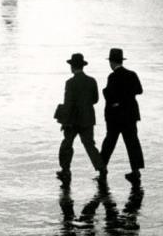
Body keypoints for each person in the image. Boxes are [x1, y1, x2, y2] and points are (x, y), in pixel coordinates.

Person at [56, 52, 107, 187]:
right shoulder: (92, 81)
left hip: (72, 120)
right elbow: (95, 99)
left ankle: (65, 170)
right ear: (83, 66)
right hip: (88, 118)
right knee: (90, 145)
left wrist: (64, 121)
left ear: (72, 67)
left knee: (67, 145)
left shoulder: (70, 83)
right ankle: (102, 169)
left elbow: (68, 103)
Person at [99, 48, 145, 185]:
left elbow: (109, 96)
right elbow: (139, 90)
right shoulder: (132, 74)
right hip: (130, 115)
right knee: (132, 143)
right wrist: (126, 96)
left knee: (109, 143)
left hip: (115, 117)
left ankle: (102, 169)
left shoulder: (112, 77)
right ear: (121, 60)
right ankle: (136, 171)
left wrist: (109, 94)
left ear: (112, 62)